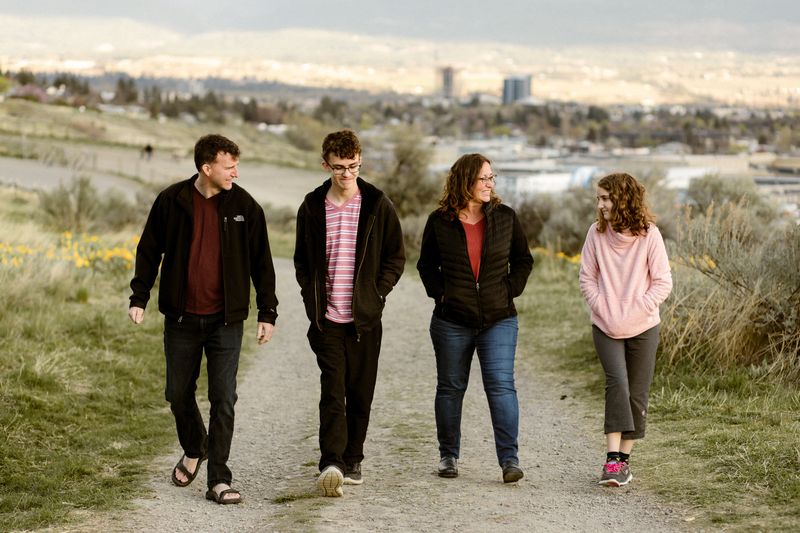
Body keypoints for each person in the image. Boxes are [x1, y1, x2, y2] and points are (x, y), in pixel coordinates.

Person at [128, 134, 278, 504]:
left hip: (225, 321)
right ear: (206, 167)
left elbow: (262, 262)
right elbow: (149, 250)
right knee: (177, 394)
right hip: (181, 319)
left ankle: (219, 480)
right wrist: (140, 296)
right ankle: (195, 446)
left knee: (223, 397)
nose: (236, 173)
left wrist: (267, 311)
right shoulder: (172, 201)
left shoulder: (246, 207)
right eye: (230, 167)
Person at [294, 129, 405, 497]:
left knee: (360, 392)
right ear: (325, 164)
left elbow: (395, 257)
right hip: (326, 321)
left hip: (364, 320)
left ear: (360, 162)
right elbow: (302, 262)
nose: (346, 175)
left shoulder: (376, 204)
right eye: (339, 168)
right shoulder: (312, 206)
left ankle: (353, 457)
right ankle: (331, 462)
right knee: (332, 390)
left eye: (353, 167)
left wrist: (377, 294)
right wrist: (312, 303)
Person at [416, 153, 533, 483]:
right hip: (451, 319)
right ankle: (448, 456)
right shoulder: (440, 222)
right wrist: (442, 294)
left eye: (491, 178)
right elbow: (426, 266)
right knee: (451, 388)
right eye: (483, 178)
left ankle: (510, 460)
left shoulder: (506, 218)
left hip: (499, 317)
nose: (489, 184)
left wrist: (508, 290)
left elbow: (524, 261)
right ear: (465, 180)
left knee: (501, 387)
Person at [579, 172, 672, 487]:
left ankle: (624, 461)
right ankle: (610, 460)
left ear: (622, 199)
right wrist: (603, 307)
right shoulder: (596, 233)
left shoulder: (650, 236)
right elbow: (587, 278)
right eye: (599, 198)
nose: (601, 204)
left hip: (643, 326)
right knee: (616, 384)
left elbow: (663, 283)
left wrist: (638, 308)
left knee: (637, 391)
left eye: (606, 198)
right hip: (605, 325)